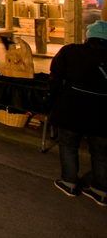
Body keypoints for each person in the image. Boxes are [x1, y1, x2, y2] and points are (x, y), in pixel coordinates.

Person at [48, 20, 107, 205]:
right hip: (103, 113)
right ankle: (101, 189)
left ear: (88, 36)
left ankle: (69, 182)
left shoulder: (71, 51)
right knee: (101, 151)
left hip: (71, 108)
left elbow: (55, 76)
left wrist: (52, 102)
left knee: (68, 145)